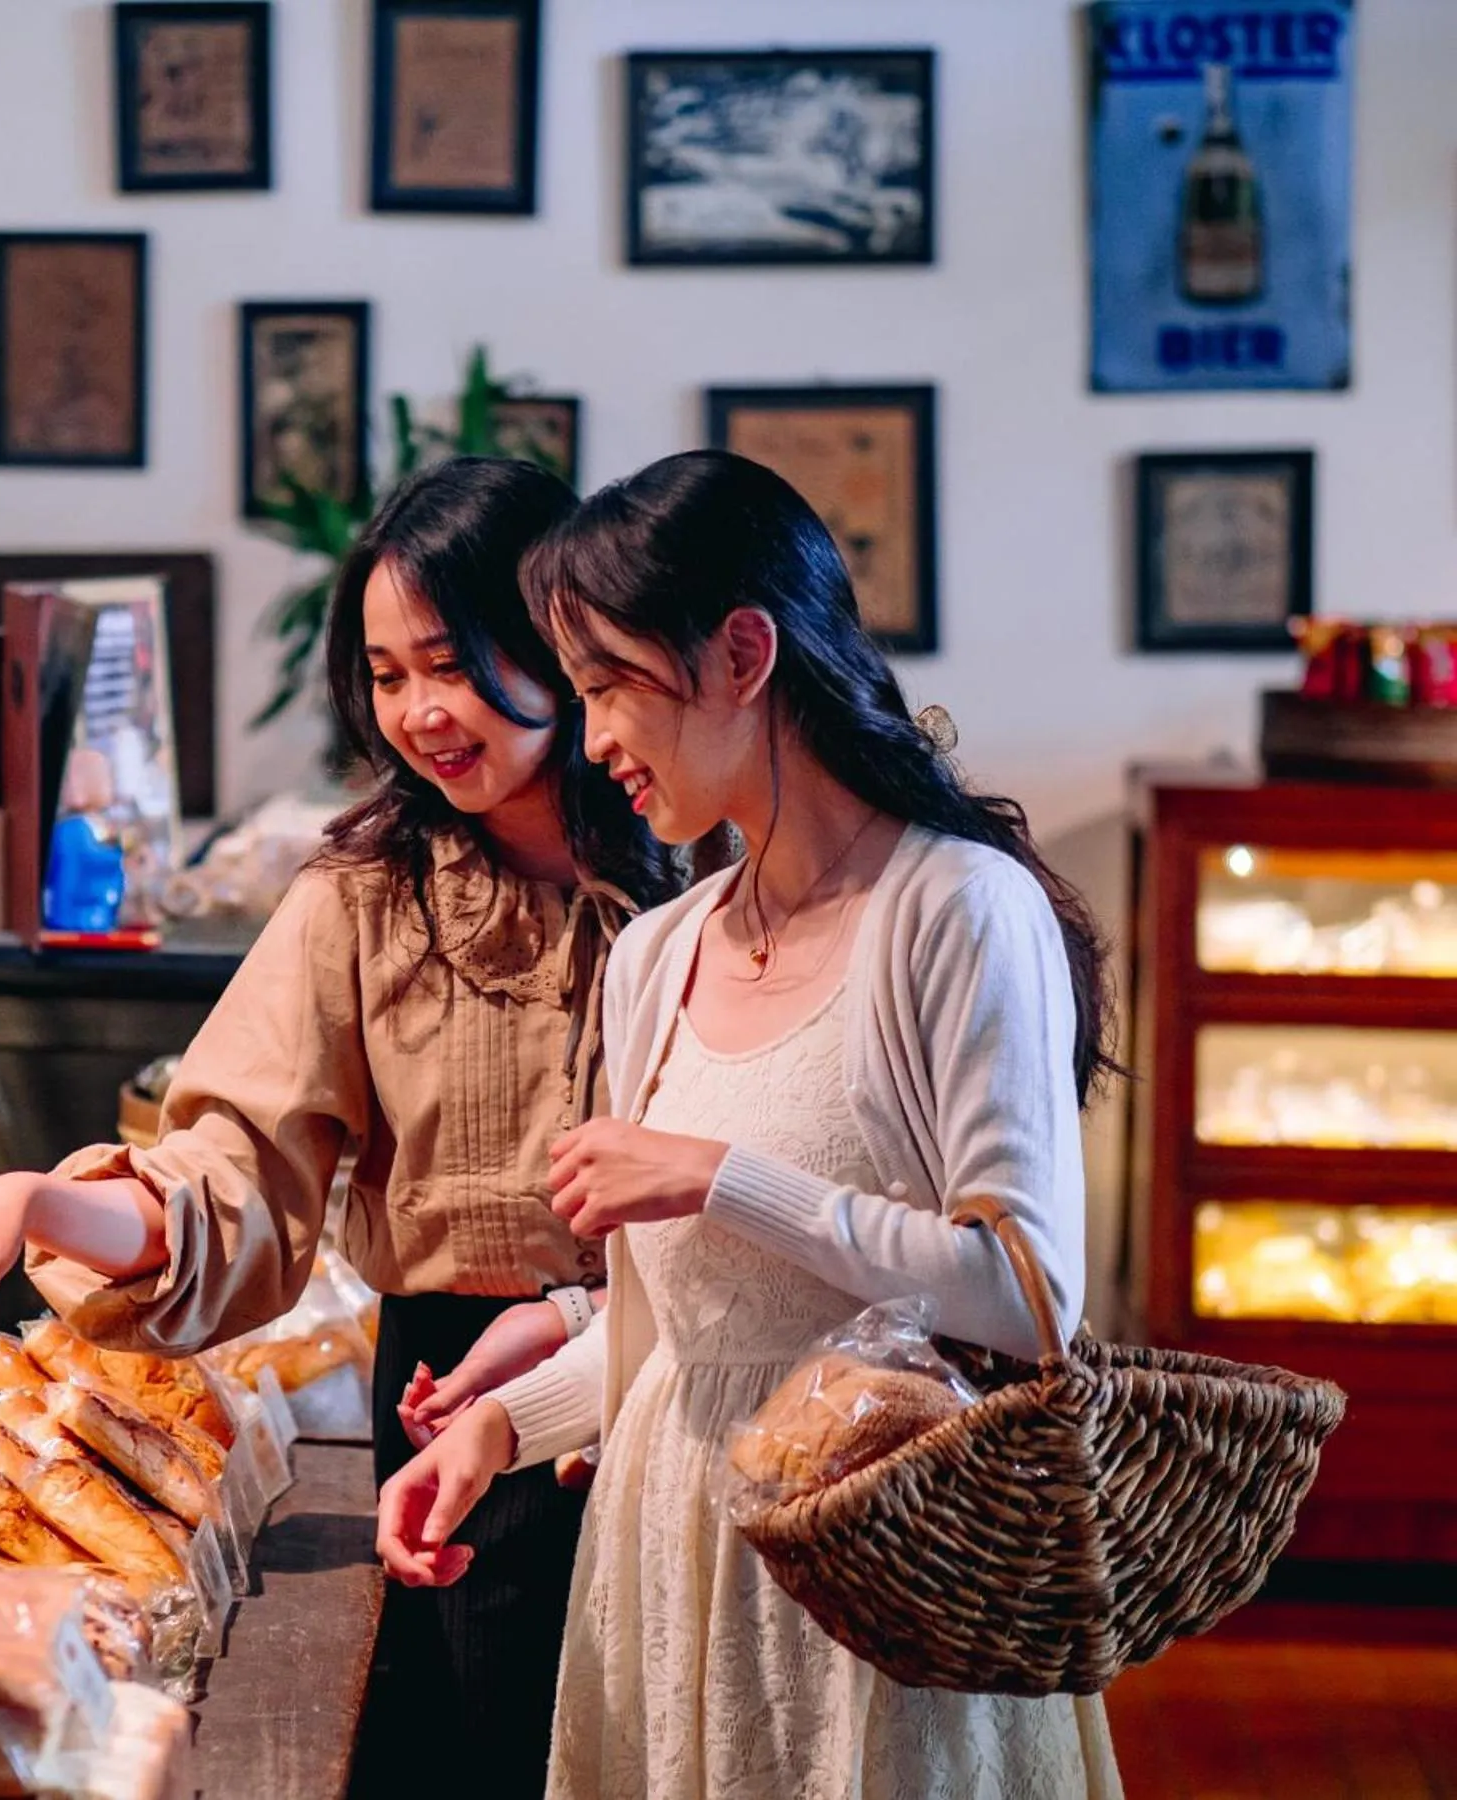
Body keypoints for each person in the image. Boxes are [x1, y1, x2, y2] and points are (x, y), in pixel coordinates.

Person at [0, 457, 679, 1796]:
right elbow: (230, 1176)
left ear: (560, 643)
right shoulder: (366, 899)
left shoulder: (702, 861)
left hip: (693, 1389)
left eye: (450, 662)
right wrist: (49, 1201)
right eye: (388, 676)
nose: (420, 713)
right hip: (458, 1398)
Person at [377, 450, 1127, 1799]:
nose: (593, 735)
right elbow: (687, 1338)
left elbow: (1027, 1294)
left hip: (877, 1588)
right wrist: (502, 1431)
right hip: (666, 1566)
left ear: (740, 653)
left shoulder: (954, 910)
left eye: (607, 683)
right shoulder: (657, 953)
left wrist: (723, 1175)